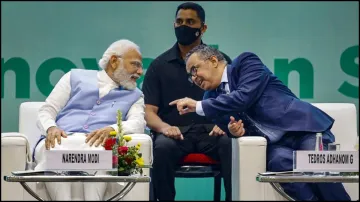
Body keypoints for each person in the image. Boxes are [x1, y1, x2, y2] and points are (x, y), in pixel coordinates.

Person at [169, 44, 351, 201]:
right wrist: (236, 132)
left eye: (195, 70)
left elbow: (244, 97)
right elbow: (237, 130)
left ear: (214, 61)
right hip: (276, 145)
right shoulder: (210, 99)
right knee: (278, 164)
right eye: (190, 76)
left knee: (314, 162)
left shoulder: (245, 63)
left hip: (304, 129)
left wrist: (198, 106)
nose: (194, 78)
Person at [142, 2, 236, 201]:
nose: (183, 26)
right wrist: (165, 128)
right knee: (161, 148)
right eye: (179, 21)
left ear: (203, 28)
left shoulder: (219, 61)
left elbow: (237, 100)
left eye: (190, 22)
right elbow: (149, 112)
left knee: (231, 144)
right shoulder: (159, 66)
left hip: (213, 130)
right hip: (175, 133)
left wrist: (226, 122)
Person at [33, 39, 146, 200]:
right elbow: (47, 109)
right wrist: (51, 128)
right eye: (135, 64)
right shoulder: (73, 77)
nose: (140, 71)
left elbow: (138, 123)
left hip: (97, 145)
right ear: (114, 61)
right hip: (61, 140)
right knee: (54, 150)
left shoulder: (136, 95)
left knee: (102, 153)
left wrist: (112, 129)